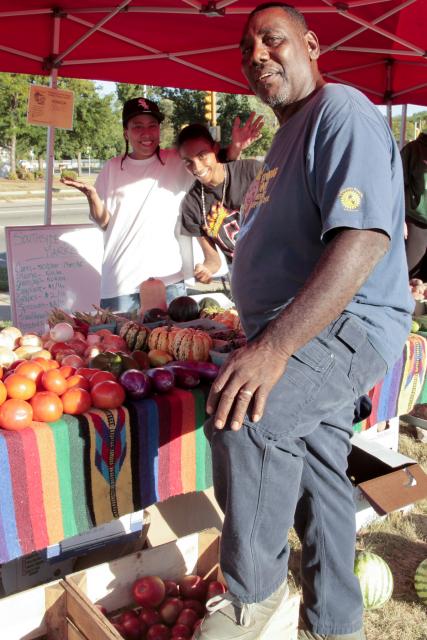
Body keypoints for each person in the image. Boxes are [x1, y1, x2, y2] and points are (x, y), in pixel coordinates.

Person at [195, 4, 414, 640]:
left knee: (246, 418)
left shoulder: (339, 110)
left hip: (348, 323)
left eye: (273, 40)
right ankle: (336, 622)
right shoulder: (285, 136)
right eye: (247, 48)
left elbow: (365, 237)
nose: (257, 54)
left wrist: (274, 347)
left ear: (311, 45)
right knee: (322, 482)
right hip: (302, 330)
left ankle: (252, 598)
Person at [60, 97, 263, 311]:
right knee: (118, 342)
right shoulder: (111, 168)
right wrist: (92, 195)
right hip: (121, 282)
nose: (146, 133)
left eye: (152, 126)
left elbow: (212, 164)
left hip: (170, 281)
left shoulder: (179, 159)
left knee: (170, 341)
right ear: (125, 133)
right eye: (137, 127)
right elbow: (104, 222)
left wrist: (236, 147)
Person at [177, 124, 263, 283]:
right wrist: (206, 269)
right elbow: (213, 260)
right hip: (244, 278)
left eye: (202, 155)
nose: (197, 167)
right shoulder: (191, 204)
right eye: (188, 161)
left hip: (282, 265)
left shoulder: (252, 171)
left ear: (215, 149)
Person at [401, 130, 427, 280]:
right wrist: (401, 219)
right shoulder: (412, 150)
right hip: (416, 222)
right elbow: (396, 186)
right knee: (412, 278)